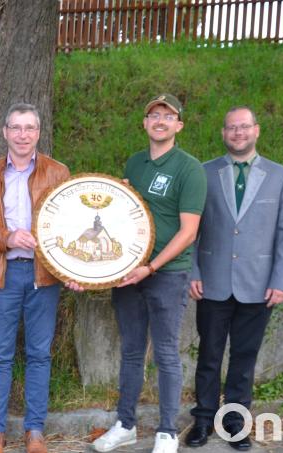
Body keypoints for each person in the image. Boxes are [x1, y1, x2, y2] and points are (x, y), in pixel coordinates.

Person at [91, 94, 206, 453]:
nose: (160, 121)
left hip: (167, 274)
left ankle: (167, 431)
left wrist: (151, 267)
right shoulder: (135, 163)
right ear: (144, 123)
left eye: (168, 116)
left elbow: (189, 232)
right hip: (129, 273)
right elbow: (123, 217)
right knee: (131, 351)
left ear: (178, 126)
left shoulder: (189, 169)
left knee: (166, 354)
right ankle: (125, 424)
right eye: (154, 115)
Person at [184, 106, 283, 451]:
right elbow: (190, 228)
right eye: (232, 127)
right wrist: (193, 271)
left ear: (256, 130)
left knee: (245, 358)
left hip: (259, 285)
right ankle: (203, 420)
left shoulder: (281, 176)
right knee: (209, 356)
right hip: (212, 282)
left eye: (244, 126)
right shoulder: (203, 172)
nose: (238, 133)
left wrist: (282, 281)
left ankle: (234, 422)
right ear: (223, 133)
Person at [0, 103, 70, 453]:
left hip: (44, 275)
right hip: (2, 273)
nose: (23, 135)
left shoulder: (58, 172)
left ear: (38, 132)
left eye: (30, 128)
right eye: (16, 128)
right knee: (0, 354)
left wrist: (74, 269)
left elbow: (73, 222)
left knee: (39, 354)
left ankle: (35, 431)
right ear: (5, 132)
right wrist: (6, 237)